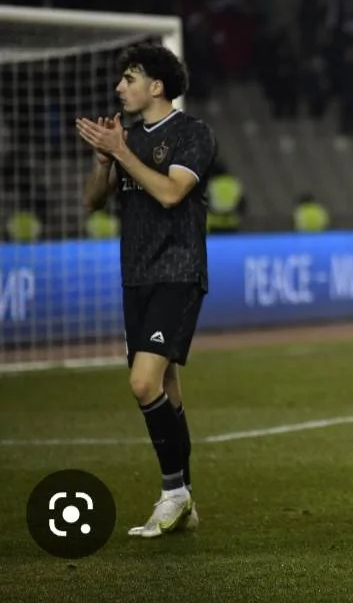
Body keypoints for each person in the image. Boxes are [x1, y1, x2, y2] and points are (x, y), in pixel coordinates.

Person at [78, 42, 217, 535]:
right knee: (165, 389)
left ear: (156, 87)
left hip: (178, 271)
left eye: (130, 78)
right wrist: (103, 160)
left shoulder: (193, 133)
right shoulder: (128, 138)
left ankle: (173, 493)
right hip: (135, 275)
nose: (120, 87)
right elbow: (94, 202)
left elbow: (171, 191)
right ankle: (184, 503)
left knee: (142, 383)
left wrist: (121, 153)